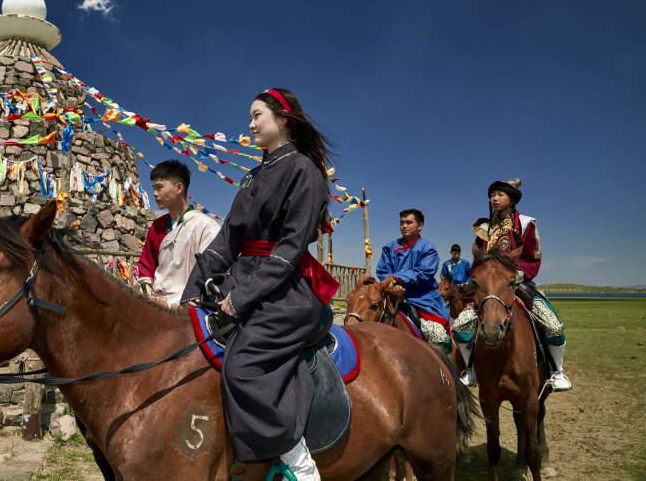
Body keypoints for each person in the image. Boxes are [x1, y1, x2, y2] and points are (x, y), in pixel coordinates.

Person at [181, 88, 338, 481]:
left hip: (287, 290)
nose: (249, 125)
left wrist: (242, 296)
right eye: (249, 118)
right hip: (244, 280)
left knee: (244, 366)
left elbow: (290, 248)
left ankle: (298, 462)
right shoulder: (255, 174)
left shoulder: (304, 170)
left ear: (283, 120)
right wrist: (191, 293)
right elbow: (227, 242)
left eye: (257, 116)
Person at [453, 178, 571, 391]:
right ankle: (471, 370)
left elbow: (532, 257)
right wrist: (473, 295)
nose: (494, 199)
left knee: (553, 326)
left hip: (517, 282)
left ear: (512, 199)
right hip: (487, 287)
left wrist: (513, 277)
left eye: (499, 195)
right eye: (492, 195)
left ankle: (557, 371)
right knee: (461, 325)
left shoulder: (525, 224)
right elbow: (478, 261)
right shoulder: (484, 228)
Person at [136, 160, 219, 308]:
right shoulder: (157, 226)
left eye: (159, 187)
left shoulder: (205, 226)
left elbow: (211, 271)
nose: (154, 194)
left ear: (179, 187)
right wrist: (148, 295)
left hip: (191, 303)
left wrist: (172, 303)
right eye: (154, 188)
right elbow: (146, 266)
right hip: (156, 303)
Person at [376, 209, 452, 353]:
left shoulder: (428, 249)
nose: (404, 226)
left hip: (422, 297)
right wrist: (393, 286)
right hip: (391, 293)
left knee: (438, 335)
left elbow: (423, 272)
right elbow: (382, 271)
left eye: (409, 222)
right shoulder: (389, 248)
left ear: (420, 225)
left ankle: (445, 367)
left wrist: (396, 279)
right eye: (402, 223)